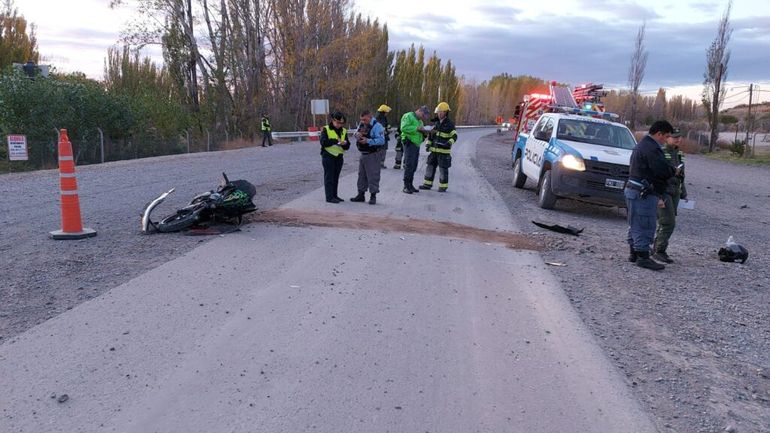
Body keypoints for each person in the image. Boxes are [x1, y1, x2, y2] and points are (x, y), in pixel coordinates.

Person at [625, 120, 676, 270]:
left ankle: (634, 253)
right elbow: (662, 170)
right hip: (644, 193)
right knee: (645, 224)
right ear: (659, 133)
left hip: (634, 190)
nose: (666, 140)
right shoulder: (652, 148)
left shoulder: (642, 145)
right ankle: (643, 257)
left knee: (635, 223)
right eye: (666, 136)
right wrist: (673, 170)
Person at [652, 128, 688, 263]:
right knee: (668, 222)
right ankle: (659, 250)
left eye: (679, 137)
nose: (678, 139)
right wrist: (659, 194)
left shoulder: (678, 154)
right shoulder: (661, 152)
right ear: (667, 138)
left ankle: (656, 248)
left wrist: (683, 192)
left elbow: (681, 175)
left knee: (665, 222)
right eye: (675, 137)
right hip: (665, 191)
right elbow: (658, 174)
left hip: (675, 191)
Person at [419, 102, 457, 192]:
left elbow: (454, 136)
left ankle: (443, 186)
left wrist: (449, 143)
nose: (439, 114)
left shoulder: (450, 124)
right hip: (434, 151)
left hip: (443, 152)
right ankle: (427, 184)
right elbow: (431, 136)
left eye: (441, 112)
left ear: (445, 112)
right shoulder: (436, 123)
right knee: (430, 167)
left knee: (443, 169)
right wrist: (428, 144)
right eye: (438, 112)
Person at [350, 110, 386, 205]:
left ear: (370, 117)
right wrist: (357, 135)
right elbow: (355, 133)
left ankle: (373, 196)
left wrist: (368, 141)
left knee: (373, 176)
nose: (362, 121)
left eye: (364, 119)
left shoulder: (377, 126)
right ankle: (361, 195)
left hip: (373, 154)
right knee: (361, 175)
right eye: (361, 119)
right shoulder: (362, 124)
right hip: (363, 153)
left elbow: (382, 140)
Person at [319, 111, 350, 203]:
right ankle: (329, 197)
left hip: (339, 156)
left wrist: (345, 144)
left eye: (341, 123)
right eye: (338, 122)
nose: (339, 125)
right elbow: (323, 142)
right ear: (333, 120)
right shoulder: (326, 129)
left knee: (336, 177)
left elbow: (347, 146)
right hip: (328, 156)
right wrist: (336, 141)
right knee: (329, 177)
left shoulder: (344, 131)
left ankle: (335, 195)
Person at [400, 105, 431, 194]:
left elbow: (420, 132)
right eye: (423, 115)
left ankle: (410, 184)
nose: (423, 118)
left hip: (416, 144)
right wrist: (417, 128)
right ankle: (406, 186)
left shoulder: (420, 121)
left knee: (414, 165)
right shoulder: (408, 116)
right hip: (409, 142)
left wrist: (425, 132)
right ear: (420, 111)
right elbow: (403, 128)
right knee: (409, 165)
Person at [375, 104, 391, 169]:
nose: (387, 113)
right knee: (381, 150)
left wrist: (388, 127)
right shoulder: (380, 117)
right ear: (384, 112)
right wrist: (385, 131)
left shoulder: (382, 117)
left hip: (383, 136)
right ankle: (379, 163)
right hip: (381, 137)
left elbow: (385, 125)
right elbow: (380, 127)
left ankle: (380, 163)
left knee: (382, 150)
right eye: (386, 112)